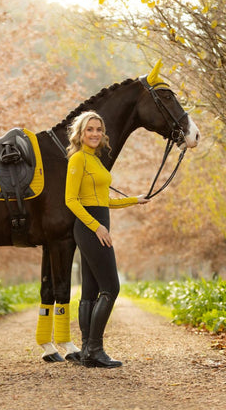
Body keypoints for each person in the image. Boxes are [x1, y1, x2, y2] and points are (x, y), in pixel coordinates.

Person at [65, 110, 149, 368]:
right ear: (80, 133)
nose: (94, 134)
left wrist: (134, 200)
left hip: (97, 222)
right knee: (111, 287)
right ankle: (94, 348)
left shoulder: (96, 160)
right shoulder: (78, 159)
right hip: (90, 227)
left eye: (98, 129)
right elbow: (70, 200)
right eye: (89, 129)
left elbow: (104, 201)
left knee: (90, 290)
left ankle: (87, 350)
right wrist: (97, 227)